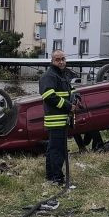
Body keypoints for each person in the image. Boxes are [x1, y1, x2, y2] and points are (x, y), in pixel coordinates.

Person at [39, 49, 73, 186]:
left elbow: (68, 92)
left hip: (62, 119)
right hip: (55, 119)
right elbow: (49, 96)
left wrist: (75, 99)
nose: (61, 62)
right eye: (57, 59)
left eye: (63, 59)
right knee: (57, 151)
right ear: (52, 61)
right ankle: (57, 178)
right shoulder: (50, 76)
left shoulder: (62, 75)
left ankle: (52, 176)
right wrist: (69, 106)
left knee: (55, 149)